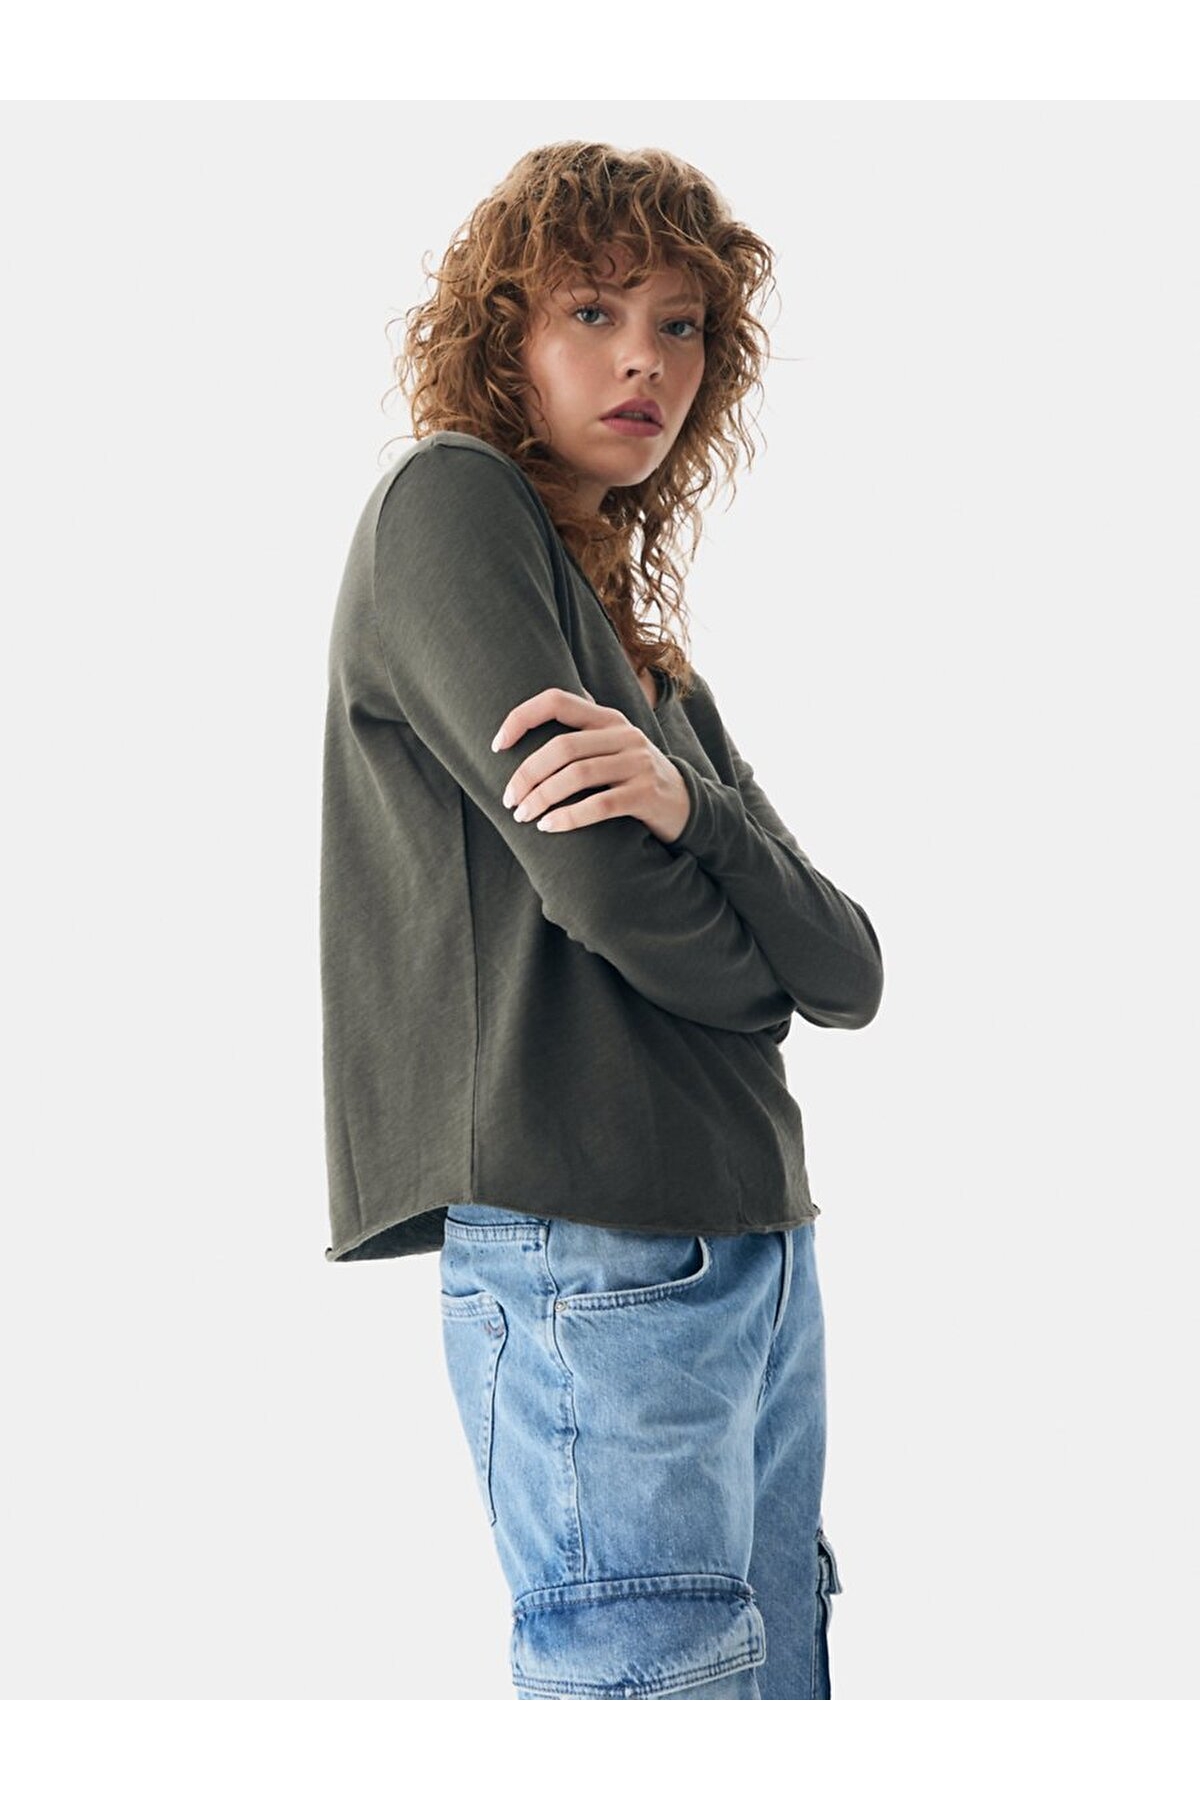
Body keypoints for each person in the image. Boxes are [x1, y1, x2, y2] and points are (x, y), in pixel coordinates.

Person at [319, 141, 884, 1699]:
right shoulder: (450, 503)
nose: (647, 359)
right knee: (657, 1693)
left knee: (771, 1684)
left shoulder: (648, 656)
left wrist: (695, 810)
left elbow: (848, 969)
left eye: (681, 324)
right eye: (594, 310)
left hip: (754, 1239)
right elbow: (610, 895)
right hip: (594, 1236)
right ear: (503, 334)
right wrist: (743, 957)